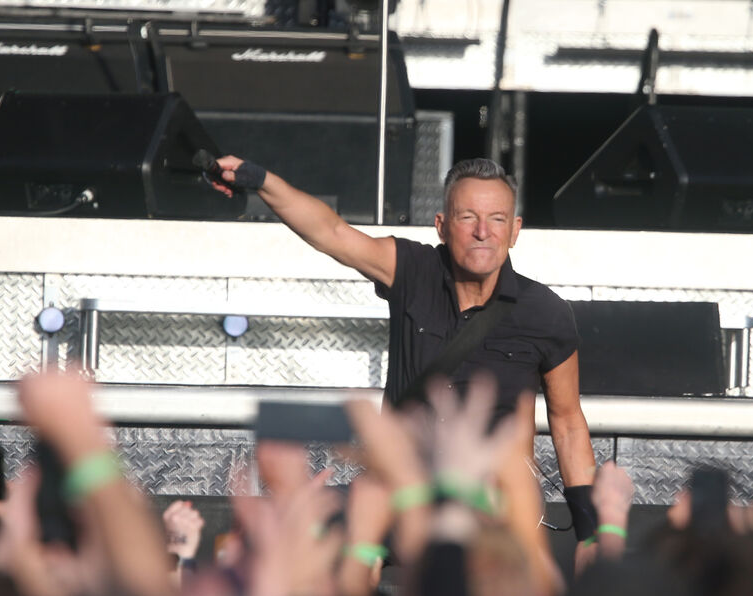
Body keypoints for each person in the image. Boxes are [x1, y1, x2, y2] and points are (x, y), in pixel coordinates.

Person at [210, 155, 599, 539]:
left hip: (495, 513)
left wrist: (590, 535)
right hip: (406, 497)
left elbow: (566, 423)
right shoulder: (412, 270)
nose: (483, 231)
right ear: (442, 227)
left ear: (515, 231)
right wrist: (263, 181)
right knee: (305, 524)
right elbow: (332, 232)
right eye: (467, 217)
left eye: (497, 219)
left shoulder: (546, 313)